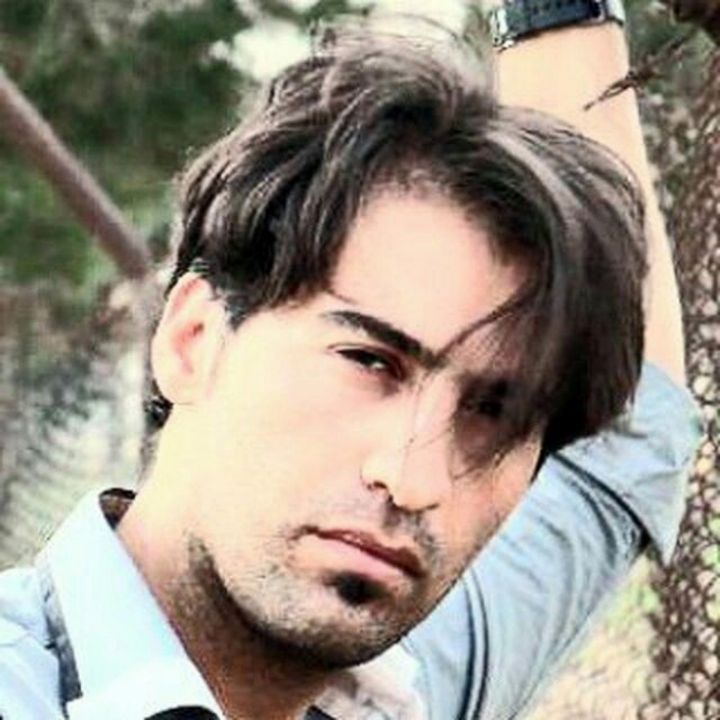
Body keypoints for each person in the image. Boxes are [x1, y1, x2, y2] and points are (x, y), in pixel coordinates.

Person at [0, 7, 702, 720]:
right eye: (370, 361)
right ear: (193, 339)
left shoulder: (402, 694)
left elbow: (627, 433)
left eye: (492, 410)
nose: (413, 478)